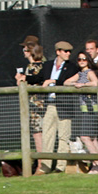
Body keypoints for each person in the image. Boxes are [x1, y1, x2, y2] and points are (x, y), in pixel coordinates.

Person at [25, 40, 77, 174]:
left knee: (63, 137)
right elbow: (37, 78)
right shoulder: (47, 65)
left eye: (69, 51)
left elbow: (68, 82)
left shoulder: (72, 67)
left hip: (64, 105)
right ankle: (46, 166)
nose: (68, 54)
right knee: (47, 135)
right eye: (65, 51)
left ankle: (60, 166)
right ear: (58, 52)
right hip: (50, 105)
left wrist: (53, 81)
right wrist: (24, 78)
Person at [65, 51, 98, 173]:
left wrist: (83, 85)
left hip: (91, 108)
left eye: (84, 59)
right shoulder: (80, 73)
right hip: (85, 109)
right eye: (79, 59)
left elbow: (95, 83)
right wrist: (76, 83)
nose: (81, 61)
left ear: (88, 60)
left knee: (85, 137)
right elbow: (66, 82)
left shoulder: (89, 72)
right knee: (92, 138)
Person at [14, 41, 46, 167]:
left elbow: (32, 82)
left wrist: (22, 79)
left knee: (38, 134)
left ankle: (41, 163)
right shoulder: (33, 67)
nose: (24, 53)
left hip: (36, 105)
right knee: (38, 133)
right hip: (35, 105)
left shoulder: (34, 68)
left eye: (25, 50)